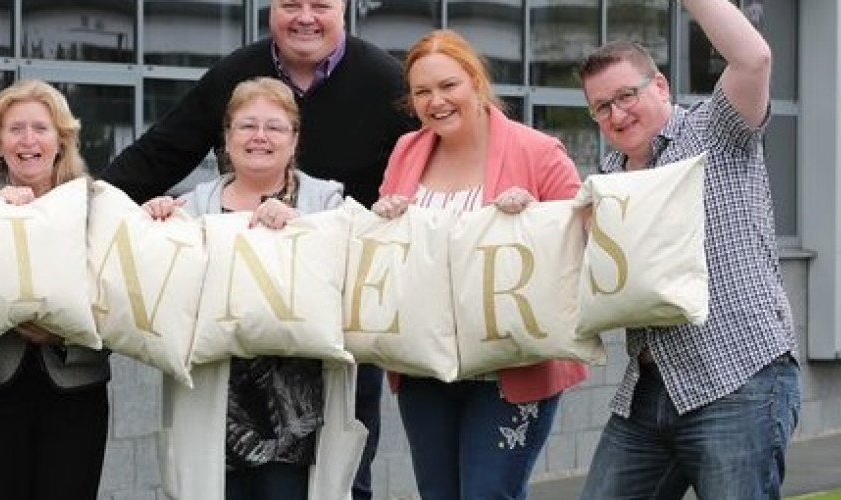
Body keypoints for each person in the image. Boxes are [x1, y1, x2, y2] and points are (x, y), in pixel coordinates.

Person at [102, 2, 418, 495]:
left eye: (321, 5)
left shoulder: (387, 82)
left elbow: (438, 152)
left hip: (333, 332)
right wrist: (82, 212)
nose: (305, 17)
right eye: (291, 3)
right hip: (229, 372)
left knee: (344, 479)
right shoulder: (233, 75)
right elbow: (157, 155)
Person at [575, 1, 800, 498]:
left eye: (626, 95)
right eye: (601, 106)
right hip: (647, 390)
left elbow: (753, 59)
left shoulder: (715, 131)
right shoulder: (608, 181)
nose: (617, 113)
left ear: (660, 86)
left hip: (739, 379)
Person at [369, 29, 587, 500]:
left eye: (448, 85)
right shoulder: (407, 150)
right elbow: (391, 249)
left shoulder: (537, 151)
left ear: (475, 81)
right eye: (422, 91)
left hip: (513, 364)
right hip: (426, 366)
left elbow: (585, 235)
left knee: (489, 494)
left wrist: (536, 217)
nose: (436, 101)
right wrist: (384, 218)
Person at [143, 76, 360, 500]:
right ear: (226, 137)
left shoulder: (327, 203)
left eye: (275, 127)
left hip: (297, 418)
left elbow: (349, 277)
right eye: (246, 125)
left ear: (294, 140)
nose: (259, 137)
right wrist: (155, 228)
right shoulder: (193, 207)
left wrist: (301, 227)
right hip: (214, 407)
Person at [0, 79, 110, 500]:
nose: (28, 140)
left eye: (42, 128)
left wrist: (63, 333)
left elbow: (121, 303)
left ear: (61, 141)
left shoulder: (97, 207)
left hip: (74, 392)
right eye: (15, 129)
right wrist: (0, 218)